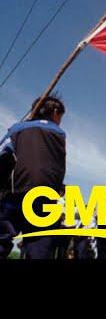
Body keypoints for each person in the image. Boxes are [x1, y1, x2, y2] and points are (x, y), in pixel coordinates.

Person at [0, 94, 66, 259]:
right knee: (40, 249)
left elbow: (3, 155)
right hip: (45, 198)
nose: (60, 120)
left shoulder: (16, 129)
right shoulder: (59, 134)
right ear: (55, 112)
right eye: (60, 116)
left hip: (15, 194)